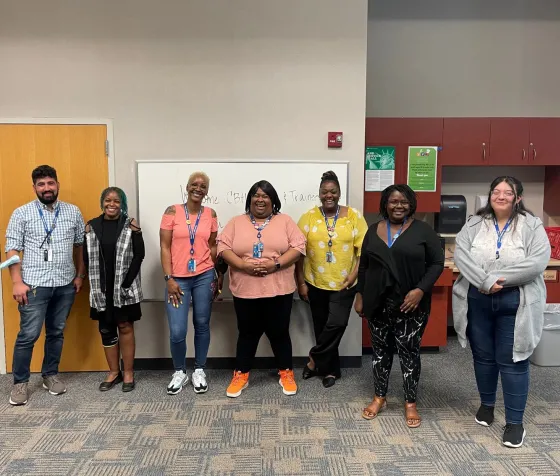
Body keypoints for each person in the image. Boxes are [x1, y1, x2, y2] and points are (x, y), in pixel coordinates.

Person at [452, 176, 550, 448]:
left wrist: (499, 280)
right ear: (490, 196)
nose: (501, 196)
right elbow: (461, 255)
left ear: (518, 198)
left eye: (508, 192)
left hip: (515, 302)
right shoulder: (473, 224)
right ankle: (486, 405)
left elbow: (537, 262)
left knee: (513, 360)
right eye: (496, 191)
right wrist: (485, 282)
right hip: (478, 300)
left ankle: (515, 423)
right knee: (483, 357)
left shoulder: (532, 226)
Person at [355, 184, 444, 428]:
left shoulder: (423, 231)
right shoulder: (373, 231)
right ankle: (379, 397)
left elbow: (437, 263)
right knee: (380, 353)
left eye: (404, 201)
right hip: (378, 304)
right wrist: (360, 294)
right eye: (393, 201)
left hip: (410, 305)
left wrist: (420, 290)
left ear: (411, 205)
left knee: (409, 354)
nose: (399, 205)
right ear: (385, 204)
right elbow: (364, 266)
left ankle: (410, 403)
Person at [5, 165, 86, 406]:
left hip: (65, 284)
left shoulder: (73, 212)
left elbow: (79, 245)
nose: (46, 188)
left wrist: (80, 275)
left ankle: (49, 375)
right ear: (34, 188)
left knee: (56, 332)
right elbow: (12, 249)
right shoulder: (21, 213)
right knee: (28, 335)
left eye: (50, 183)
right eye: (41, 184)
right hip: (34, 285)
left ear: (57, 185)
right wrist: (17, 282)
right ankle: (20, 383)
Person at [217, 180, 306, 398]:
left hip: (279, 289)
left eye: (265, 196)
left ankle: (285, 372)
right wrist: (242, 265)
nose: (260, 199)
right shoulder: (236, 222)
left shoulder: (284, 221)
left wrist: (275, 264)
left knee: (280, 334)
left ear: (273, 200)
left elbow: (299, 246)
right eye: (256, 195)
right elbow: (222, 247)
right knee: (247, 334)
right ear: (249, 200)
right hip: (245, 291)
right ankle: (241, 374)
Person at [296, 171, 367, 387]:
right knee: (321, 328)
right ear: (319, 193)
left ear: (339, 193)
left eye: (333, 191)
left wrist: (354, 275)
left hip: (344, 283)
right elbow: (298, 253)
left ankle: (313, 360)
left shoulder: (353, 216)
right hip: (315, 281)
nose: (329, 195)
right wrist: (300, 282)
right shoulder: (308, 217)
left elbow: (364, 250)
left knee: (336, 324)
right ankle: (330, 371)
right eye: (324, 191)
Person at [160, 171, 220, 395]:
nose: (198, 188)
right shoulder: (172, 211)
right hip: (177, 280)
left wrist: (212, 271)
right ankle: (179, 372)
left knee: (202, 323)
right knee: (177, 330)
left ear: (207, 190)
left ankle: (199, 370)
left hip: (204, 276)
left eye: (203, 185)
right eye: (194, 184)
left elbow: (213, 245)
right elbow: (164, 247)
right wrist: (169, 278)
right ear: (186, 187)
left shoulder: (211, 213)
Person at [84, 187, 145, 392]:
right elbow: (86, 257)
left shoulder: (131, 225)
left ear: (123, 204)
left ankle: (128, 372)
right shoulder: (91, 226)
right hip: (101, 288)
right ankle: (113, 372)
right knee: (106, 329)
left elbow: (139, 255)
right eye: (108, 200)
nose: (112, 204)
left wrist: (126, 283)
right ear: (102, 202)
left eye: (117, 201)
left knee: (125, 326)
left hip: (124, 286)